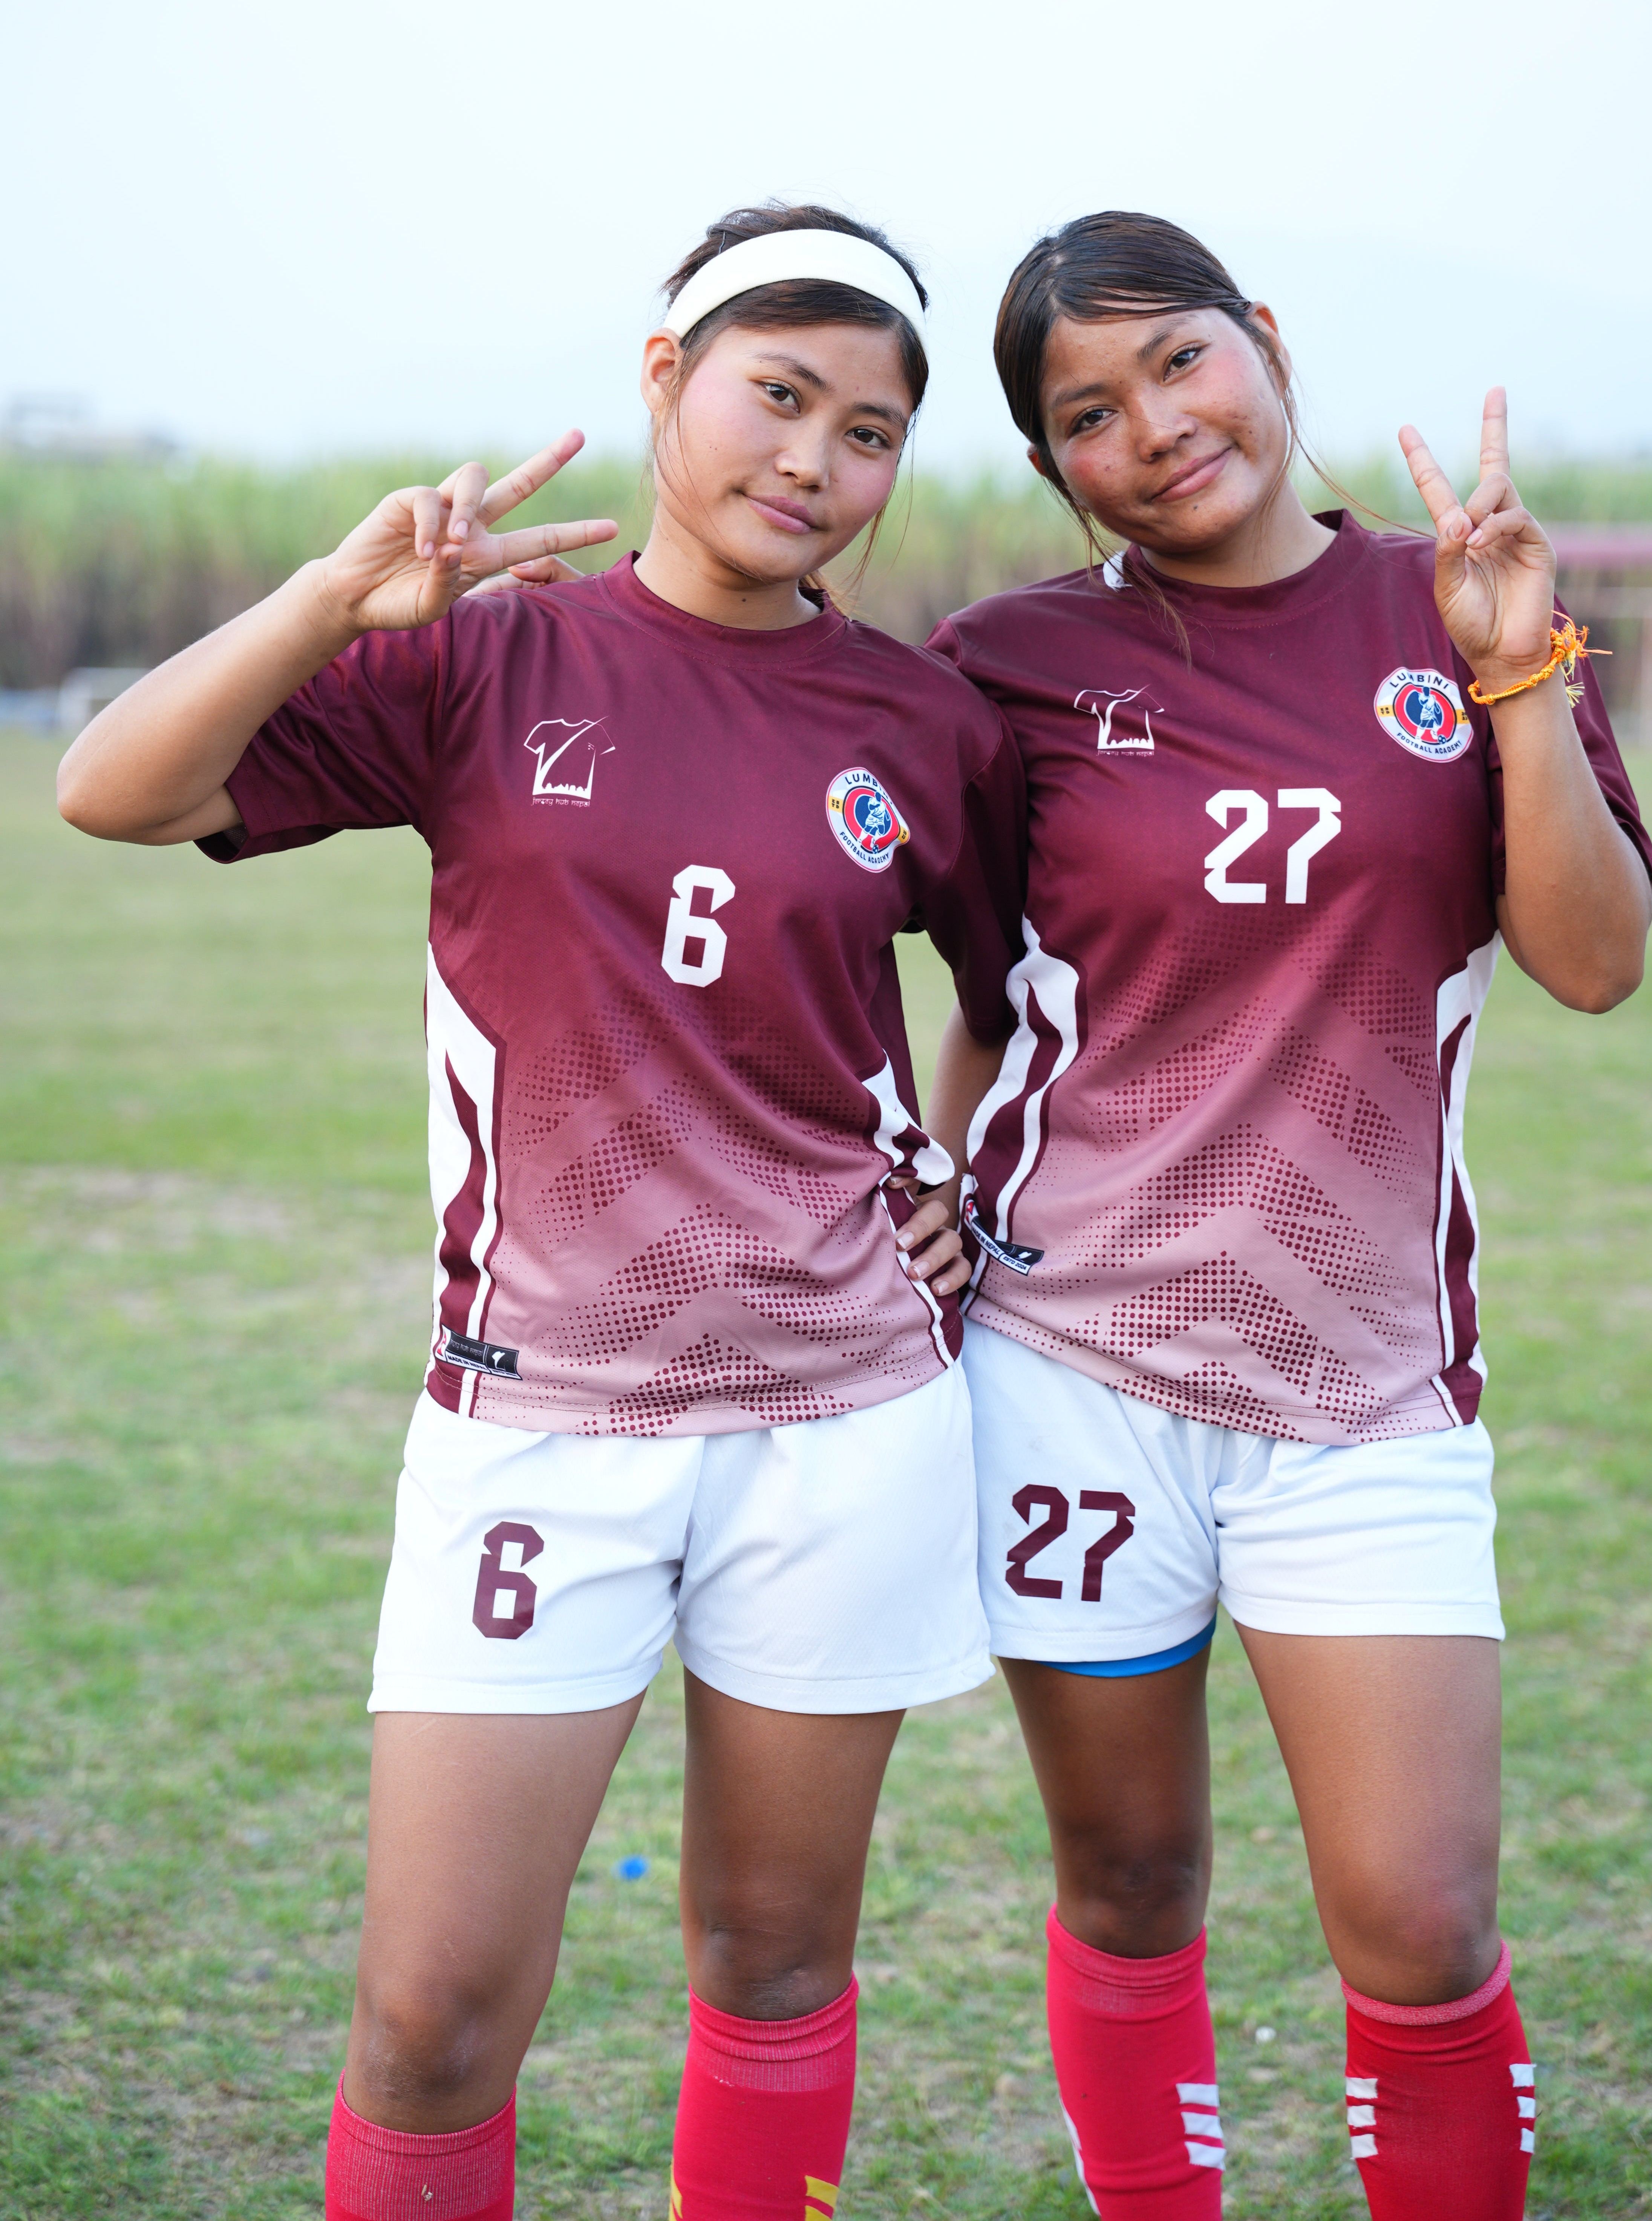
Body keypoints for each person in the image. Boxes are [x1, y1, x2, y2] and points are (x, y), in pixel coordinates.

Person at [57, 203, 1024, 2221]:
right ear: (664, 379)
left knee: (772, 1965)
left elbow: (1035, 1008)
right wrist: (333, 601)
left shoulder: (922, 722)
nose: (815, 465)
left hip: (846, 1425)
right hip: (539, 1422)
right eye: (778, 397)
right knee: (430, 2016)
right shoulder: (483, 659)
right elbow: (115, 790)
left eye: (869, 432)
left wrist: (956, 1189)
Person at [923, 210, 1652, 2221]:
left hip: (1367, 1387)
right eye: (1088, 412)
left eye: (1178, 361)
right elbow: (978, 1000)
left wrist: (1519, 667)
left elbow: (1593, 963)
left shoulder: (1458, 607)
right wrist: (905, 1176)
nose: (1154, 427)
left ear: (1264, 338)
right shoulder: (1009, 667)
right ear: (1055, 464)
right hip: (1067, 1376)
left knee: (1419, 1918)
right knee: (1132, 1879)